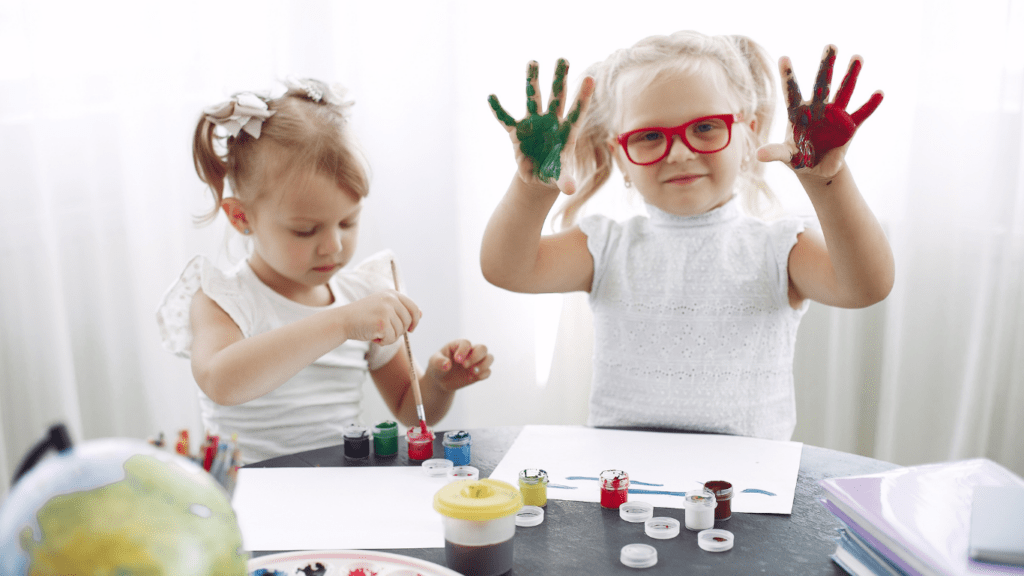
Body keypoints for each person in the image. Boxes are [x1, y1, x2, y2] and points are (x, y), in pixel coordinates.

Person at [481, 32, 893, 440]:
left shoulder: (778, 248)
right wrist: (533, 187)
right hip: (624, 484)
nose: (679, 152)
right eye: (649, 136)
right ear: (621, 156)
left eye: (706, 128)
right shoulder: (604, 246)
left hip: (746, 485)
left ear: (747, 135)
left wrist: (828, 181)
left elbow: (866, 286)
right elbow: (507, 269)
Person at [158, 78, 492, 464]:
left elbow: (409, 408)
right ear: (240, 217)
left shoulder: (362, 295)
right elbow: (221, 381)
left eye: (348, 223)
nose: (333, 245)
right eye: (306, 230)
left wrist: (438, 383)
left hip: (339, 491)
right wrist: (341, 324)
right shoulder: (223, 299)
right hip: (254, 500)